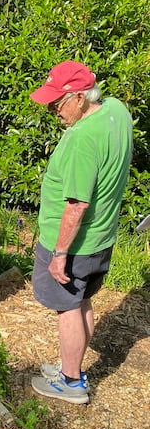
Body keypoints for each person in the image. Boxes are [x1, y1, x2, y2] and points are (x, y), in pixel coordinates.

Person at [29, 61, 133, 404]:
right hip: (101, 237)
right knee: (81, 299)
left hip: (76, 244)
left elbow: (76, 205)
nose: (53, 111)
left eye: (57, 103)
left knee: (67, 308)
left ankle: (71, 381)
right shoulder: (115, 111)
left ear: (78, 98)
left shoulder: (81, 139)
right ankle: (69, 366)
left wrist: (59, 255)